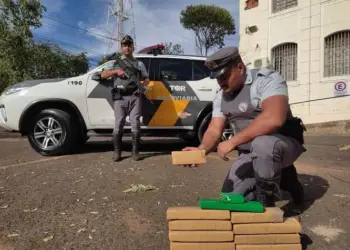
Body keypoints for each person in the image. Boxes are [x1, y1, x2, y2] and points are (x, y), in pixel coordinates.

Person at [182, 46, 306, 207]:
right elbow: (214, 130)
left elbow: (273, 118)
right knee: (231, 198)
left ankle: (268, 204)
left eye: (224, 76)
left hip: (284, 145)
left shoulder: (267, 80)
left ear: (239, 68)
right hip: (249, 153)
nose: (221, 82)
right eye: (217, 78)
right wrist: (201, 150)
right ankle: (280, 177)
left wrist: (232, 141)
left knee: (263, 144)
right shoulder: (221, 96)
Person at [101, 35, 150, 162]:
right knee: (119, 124)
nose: (127, 47)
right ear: (121, 48)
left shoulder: (139, 63)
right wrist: (116, 72)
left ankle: (135, 152)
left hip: (135, 96)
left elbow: (146, 78)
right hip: (120, 97)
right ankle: (117, 152)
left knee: (136, 124)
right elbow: (103, 74)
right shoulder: (115, 62)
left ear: (133, 47)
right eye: (124, 45)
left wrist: (143, 85)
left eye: (129, 45)